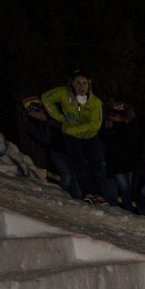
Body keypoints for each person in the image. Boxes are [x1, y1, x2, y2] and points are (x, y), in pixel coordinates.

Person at [41, 69, 105, 202]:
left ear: (89, 85)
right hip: (72, 138)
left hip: (90, 137)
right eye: (78, 82)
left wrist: (72, 130)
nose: (81, 86)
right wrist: (59, 117)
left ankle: (99, 194)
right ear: (72, 84)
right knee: (79, 165)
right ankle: (87, 194)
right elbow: (45, 98)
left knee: (95, 165)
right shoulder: (63, 93)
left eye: (84, 83)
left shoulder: (95, 102)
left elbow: (95, 125)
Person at [21, 95, 80, 199]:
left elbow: (65, 127)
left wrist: (47, 118)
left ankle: (78, 201)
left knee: (76, 178)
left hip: (70, 149)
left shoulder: (52, 113)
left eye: (36, 106)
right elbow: (45, 140)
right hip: (57, 152)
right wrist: (41, 121)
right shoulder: (30, 124)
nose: (35, 110)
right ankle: (57, 197)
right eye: (31, 108)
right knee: (67, 176)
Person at [100, 98, 140, 211]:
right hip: (115, 159)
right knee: (124, 187)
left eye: (120, 104)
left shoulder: (130, 119)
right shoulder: (108, 121)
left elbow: (134, 136)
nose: (118, 107)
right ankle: (128, 210)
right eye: (116, 105)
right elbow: (106, 138)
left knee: (129, 187)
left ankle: (128, 209)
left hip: (129, 158)